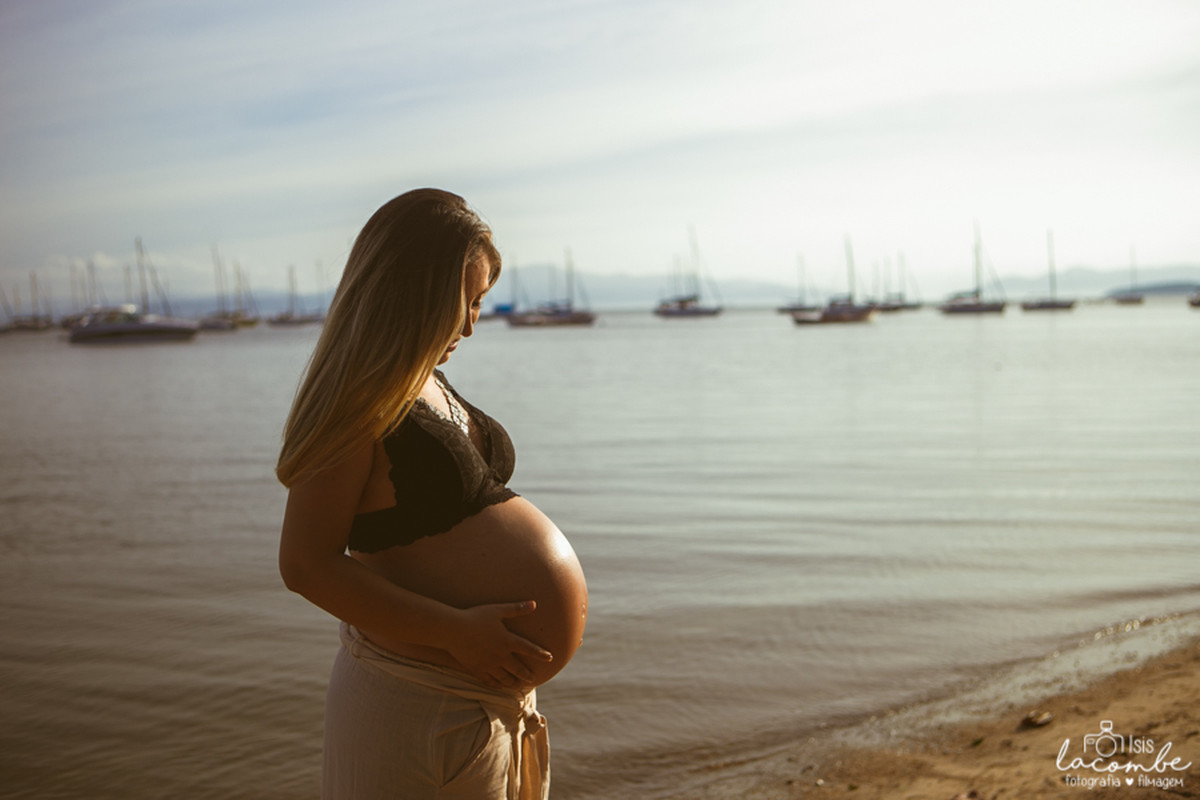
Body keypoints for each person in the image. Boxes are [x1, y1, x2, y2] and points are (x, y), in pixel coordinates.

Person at [276, 189, 588, 800]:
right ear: (411, 293)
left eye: (479, 303)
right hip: (415, 704)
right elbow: (305, 564)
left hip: (478, 700)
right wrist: (455, 633)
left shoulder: (428, 383)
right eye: (461, 303)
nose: (472, 325)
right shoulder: (357, 399)